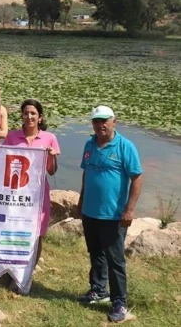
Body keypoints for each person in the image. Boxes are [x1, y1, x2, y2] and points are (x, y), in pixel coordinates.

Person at [77, 106, 143, 324]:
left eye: (104, 120)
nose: (100, 125)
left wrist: (130, 209)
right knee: (96, 254)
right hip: (90, 212)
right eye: (96, 121)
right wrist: (81, 200)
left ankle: (120, 302)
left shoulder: (125, 146)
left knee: (116, 261)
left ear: (114, 121)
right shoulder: (89, 144)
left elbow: (137, 178)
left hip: (113, 216)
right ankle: (97, 290)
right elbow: (87, 172)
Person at [3, 99, 60, 274]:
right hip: (16, 194)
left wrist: (51, 157)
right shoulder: (12, 137)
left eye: (33, 113)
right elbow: (3, 163)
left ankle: (28, 273)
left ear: (40, 117)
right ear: (22, 115)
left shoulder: (49, 138)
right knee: (15, 230)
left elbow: (52, 171)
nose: (29, 116)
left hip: (38, 195)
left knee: (36, 234)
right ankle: (13, 269)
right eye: (26, 113)